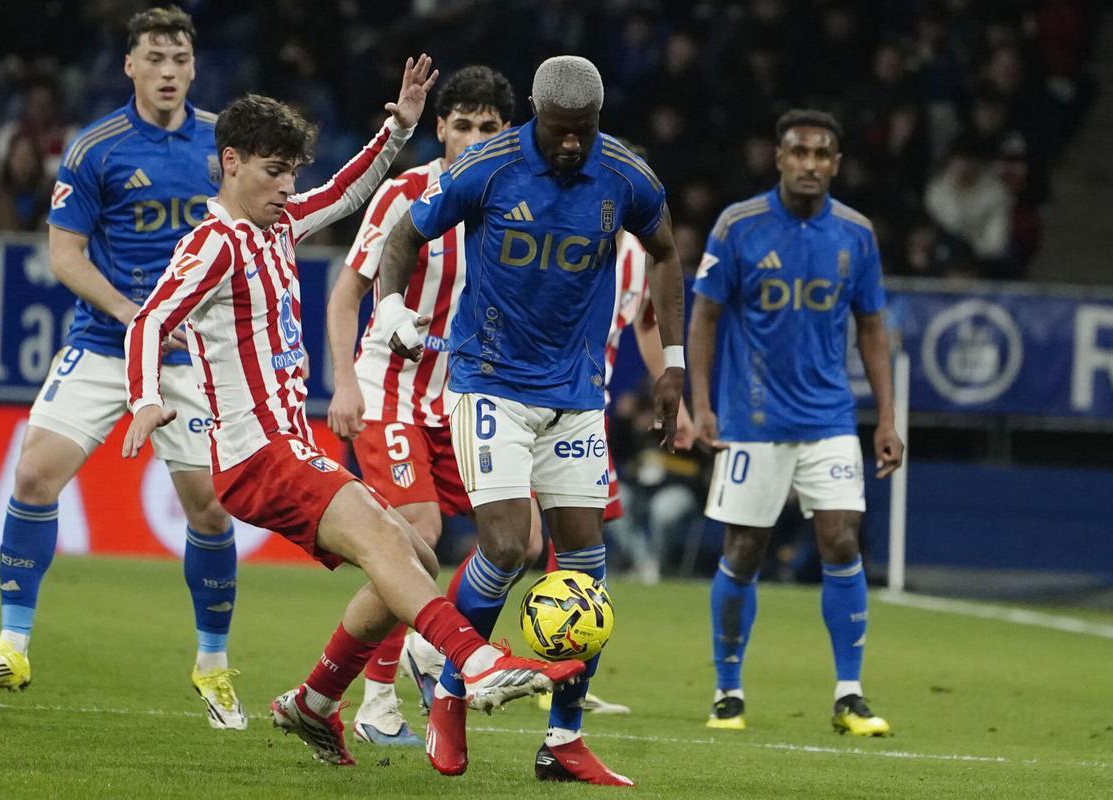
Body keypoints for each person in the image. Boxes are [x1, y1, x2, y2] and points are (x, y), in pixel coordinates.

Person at [122, 68, 585, 770]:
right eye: (275, 173)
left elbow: (340, 192)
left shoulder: (275, 224)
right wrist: (145, 399)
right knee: (382, 538)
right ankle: (474, 659)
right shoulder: (214, 243)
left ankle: (314, 699)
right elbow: (150, 320)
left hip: (287, 444)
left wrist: (396, 128)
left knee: (416, 553)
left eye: (290, 174)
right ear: (231, 163)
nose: (287, 188)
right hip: (257, 452)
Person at [375, 55, 686, 786]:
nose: (573, 144)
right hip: (490, 384)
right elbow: (401, 236)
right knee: (509, 546)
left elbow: (667, 254)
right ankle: (450, 692)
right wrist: (391, 309)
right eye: (560, 131)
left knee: (586, 570)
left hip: (576, 393)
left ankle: (563, 738)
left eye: (585, 131)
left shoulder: (625, 176)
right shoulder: (487, 167)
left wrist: (671, 361)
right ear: (535, 119)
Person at [0, 6, 250, 731]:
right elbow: (65, 254)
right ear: (129, 66)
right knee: (32, 475)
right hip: (104, 344)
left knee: (210, 511)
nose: (169, 71)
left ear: (193, 65)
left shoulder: (224, 146)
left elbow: (261, 230)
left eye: (179, 58)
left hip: (189, 355)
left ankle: (213, 667)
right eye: (154, 58)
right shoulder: (97, 147)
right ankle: (12, 646)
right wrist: (129, 313)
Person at [687, 108, 904, 737]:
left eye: (822, 154)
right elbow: (704, 316)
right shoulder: (739, 225)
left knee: (841, 540)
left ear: (836, 164)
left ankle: (850, 693)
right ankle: (728, 691)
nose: (810, 164)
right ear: (778, 158)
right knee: (744, 551)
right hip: (751, 422)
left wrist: (886, 417)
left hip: (830, 416)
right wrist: (702, 406)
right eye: (799, 152)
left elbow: (871, 327)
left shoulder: (855, 234)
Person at [326, 65, 516, 747]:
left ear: (507, 133)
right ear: (439, 128)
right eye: (459, 124)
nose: (470, 137)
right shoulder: (407, 192)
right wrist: (344, 382)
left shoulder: (513, 206)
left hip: (462, 397)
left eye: (486, 127)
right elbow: (348, 292)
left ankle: (423, 644)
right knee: (416, 535)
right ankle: (378, 700)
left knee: (512, 536)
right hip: (391, 389)